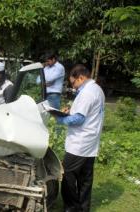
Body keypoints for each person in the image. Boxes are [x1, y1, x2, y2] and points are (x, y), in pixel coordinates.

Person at [54, 64, 105, 212]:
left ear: (81, 77)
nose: (74, 87)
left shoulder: (88, 93)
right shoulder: (97, 89)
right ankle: (83, 208)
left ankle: (71, 208)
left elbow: (78, 119)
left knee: (67, 175)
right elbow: (88, 112)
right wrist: (70, 111)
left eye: (74, 83)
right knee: (85, 179)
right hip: (90, 141)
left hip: (80, 143)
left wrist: (60, 118)